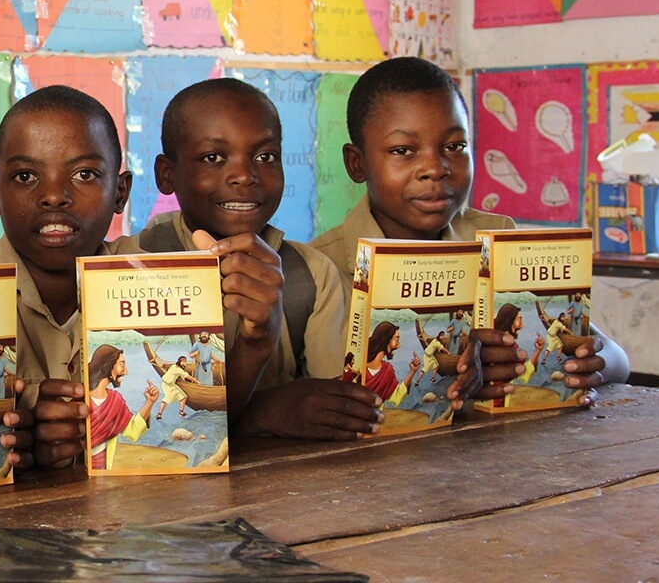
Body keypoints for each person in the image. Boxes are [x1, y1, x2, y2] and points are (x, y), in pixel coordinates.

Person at [310, 56, 627, 405]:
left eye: (454, 147)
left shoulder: (496, 240)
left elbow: (615, 357)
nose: (435, 168)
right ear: (358, 164)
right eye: (403, 151)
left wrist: (594, 364)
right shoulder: (320, 268)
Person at [132, 77, 354, 440]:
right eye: (213, 158)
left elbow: (337, 408)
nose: (244, 176)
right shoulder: (131, 268)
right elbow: (142, 428)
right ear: (166, 174)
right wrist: (259, 410)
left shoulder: (310, 275)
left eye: (265, 157)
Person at [0, 86, 142, 472]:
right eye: (25, 176)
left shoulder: (153, 288)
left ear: (120, 193)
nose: (54, 196)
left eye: (84, 174)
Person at [85, 346, 159, 470]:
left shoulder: (115, 400)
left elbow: (133, 432)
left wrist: (149, 403)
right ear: (108, 367)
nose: (125, 372)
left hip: (103, 471)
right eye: (122, 365)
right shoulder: (81, 398)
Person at [363, 323, 418, 404]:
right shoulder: (358, 366)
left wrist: (412, 371)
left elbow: (396, 397)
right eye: (396, 340)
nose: (398, 346)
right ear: (385, 340)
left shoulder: (387, 370)